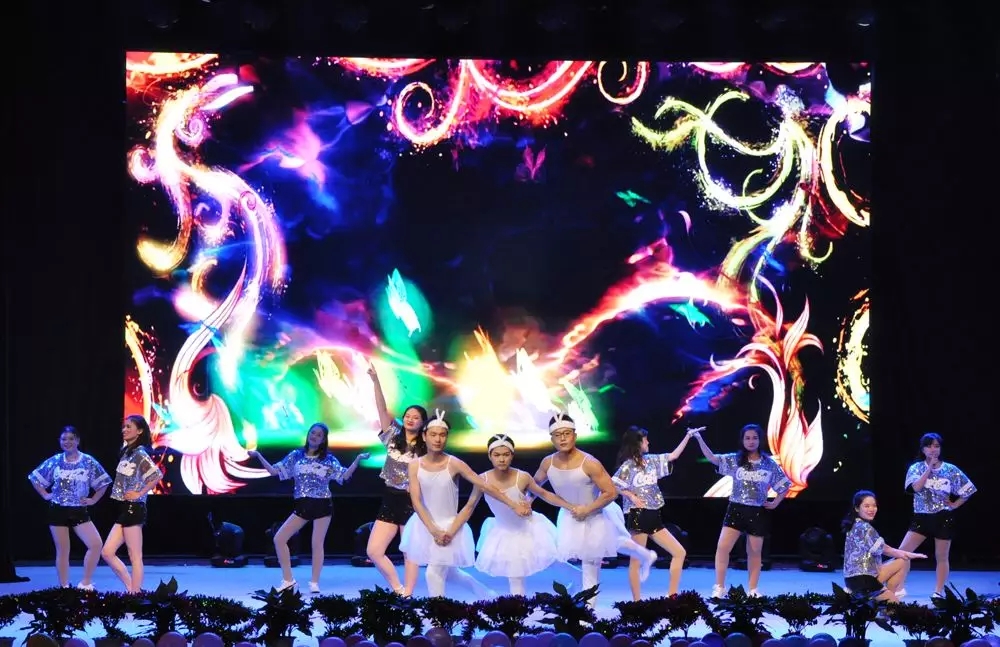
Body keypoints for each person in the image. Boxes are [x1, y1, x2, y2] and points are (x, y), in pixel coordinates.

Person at [400, 410, 532, 598]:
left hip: (450, 526)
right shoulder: (415, 465)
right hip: (425, 525)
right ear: (424, 436)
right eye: (433, 434)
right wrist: (433, 530)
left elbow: (485, 485)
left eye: (442, 435)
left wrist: (513, 504)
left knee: (433, 573)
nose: (438, 439)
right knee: (449, 573)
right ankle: (488, 596)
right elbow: (416, 500)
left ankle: (438, 613)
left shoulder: (454, 463)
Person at [533, 413, 657, 609]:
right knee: (615, 542)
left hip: (595, 514)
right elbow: (535, 485)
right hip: (570, 516)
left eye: (567, 433)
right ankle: (646, 555)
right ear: (552, 439)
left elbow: (611, 492)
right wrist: (526, 502)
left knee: (591, 563)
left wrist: (587, 509)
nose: (563, 438)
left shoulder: (590, 462)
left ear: (574, 435)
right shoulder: (547, 463)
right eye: (557, 435)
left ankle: (587, 613)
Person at [249, 422, 368, 593]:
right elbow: (275, 472)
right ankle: (288, 580)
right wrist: (258, 456)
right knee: (279, 538)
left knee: (317, 544)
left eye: (319, 435)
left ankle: (314, 582)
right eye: (313, 433)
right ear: (308, 434)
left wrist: (357, 460)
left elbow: (343, 476)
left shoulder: (329, 459)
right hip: (303, 505)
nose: (315, 436)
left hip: (323, 504)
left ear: (323, 440)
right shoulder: (296, 456)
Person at [459, 433, 574, 595]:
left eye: (506, 454)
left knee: (555, 561)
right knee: (515, 575)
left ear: (512, 455)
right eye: (497, 455)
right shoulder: (482, 480)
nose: (501, 459)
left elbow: (544, 494)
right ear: (490, 456)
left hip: (529, 529)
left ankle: (580, 581)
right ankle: (518, 606)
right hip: (504, 531)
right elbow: (470, 506)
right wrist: (455, 527)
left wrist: (570, 506)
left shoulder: (522, 477)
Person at [689, 424, 791, 598]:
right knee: (722, 548)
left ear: (760, 440)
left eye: (754, 438)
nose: (751, 441)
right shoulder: (736, 460)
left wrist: (775, 503)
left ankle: (753, 590)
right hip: (736, 509)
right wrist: (699, 438)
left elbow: (784, 485)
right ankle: (719, 587)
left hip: (757, 512)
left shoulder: (769, 464)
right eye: (747, 438)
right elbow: (712, 458)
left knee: (754, 553)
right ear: (742, 440)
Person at [612, 425, 700, 599]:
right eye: (645, 440)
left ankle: (672, 596)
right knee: (636, 560)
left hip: (654, 517)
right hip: (638, 516)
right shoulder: (628, 466)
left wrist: (688, 436)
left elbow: (673, 456)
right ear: (637, 443)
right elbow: (613, 484)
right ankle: (637, 602)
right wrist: (631, 495)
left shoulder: (651, 461)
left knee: (679, 552)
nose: (648, 443)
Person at [365, 363, 428, 596]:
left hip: (413, 501)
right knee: (373, 551)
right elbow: (382, 410)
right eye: (408, 416)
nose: (410, 419)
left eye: (416, 417)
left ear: (422, 423)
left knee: (410, 552)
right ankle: (398, 588)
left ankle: (408, 593)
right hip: (390, 498)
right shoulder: (392, 436)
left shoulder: (426, 447)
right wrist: (375, 381)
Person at [28, 426, 112, 590]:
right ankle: (64, 587)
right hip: (58, 510)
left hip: (79, 511)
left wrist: (94, 499)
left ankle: (85, 583)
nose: (67, 442)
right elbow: (35, 478)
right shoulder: (55, 460)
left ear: (78, 441)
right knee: (63, 551)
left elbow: (103, 482)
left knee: (95, 544)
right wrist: (45, 494)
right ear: (60, 442)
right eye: (64, 439)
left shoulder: (88, 461)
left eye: (71, 439)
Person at [896, 433, 976, 598]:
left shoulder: (950, 469)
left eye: (936, 446)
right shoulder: (916, 468)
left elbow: (968, 490)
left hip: (942, 518)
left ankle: (938, 592)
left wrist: (955, 504)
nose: (933, 449)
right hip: (921, 518)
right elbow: (915, 488)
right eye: (929, 446)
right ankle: (899, 586)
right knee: (902, 553)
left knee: (942, 557)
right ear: (923, 449)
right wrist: (929, 469)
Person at [101, 414, 162, 593]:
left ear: (140, 431)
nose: (124, 430)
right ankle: (133, 589)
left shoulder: (140, 454)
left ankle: (135, 596)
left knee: (135, 556)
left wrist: (139, 493)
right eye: (124, 426)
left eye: (129, 427)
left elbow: (156, 475)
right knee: (107, 552)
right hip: (124, 509)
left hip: (134, 508)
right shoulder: (127, 452)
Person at [843, 490, 926, 600]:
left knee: (903, 560)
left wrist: (905, 554)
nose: (871, 509)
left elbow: (885, 548)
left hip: (862, 576)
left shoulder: (857, 524)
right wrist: (909, 554)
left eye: (874, 506)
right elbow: (886, 549)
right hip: (862, 580)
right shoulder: (864, 527)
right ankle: (885, 597)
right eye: (867, 506)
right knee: (894, 605)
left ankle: (892, 593)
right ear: (857, 508)